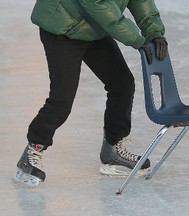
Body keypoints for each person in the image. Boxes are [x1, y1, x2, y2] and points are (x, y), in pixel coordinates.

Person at [13, 0, 168, 187]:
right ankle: (33, 150)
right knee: (62, 99)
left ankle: (113, 149)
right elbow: (98, 3)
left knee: (122, 84)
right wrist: (137, 39)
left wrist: (154, 32)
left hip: (94, 27)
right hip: (62, 28)